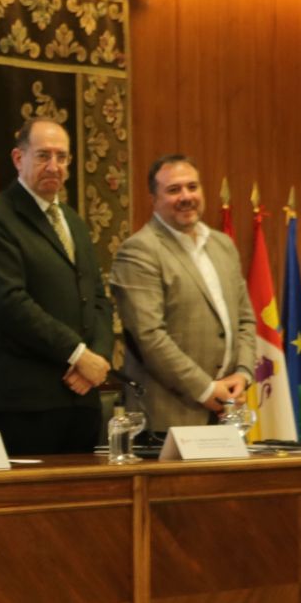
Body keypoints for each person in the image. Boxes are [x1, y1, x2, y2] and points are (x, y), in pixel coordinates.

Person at [0, 117, 115, 456]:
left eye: (62, 157)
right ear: (19, 159)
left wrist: (97, 359)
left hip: (82, 398)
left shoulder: (74, 221)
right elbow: (10, 303)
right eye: (43, 156)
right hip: (27, 404)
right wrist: (78, 354)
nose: (54, 166)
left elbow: (96, 298)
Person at [109, 154, 257, 433]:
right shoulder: (139, 251)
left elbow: (246, 321)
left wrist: (243, 374)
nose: (186, 196)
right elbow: (149, 336)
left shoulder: (223, 245)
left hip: (229, 413)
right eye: (174, 190)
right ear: (153, 199)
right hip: (167, 418)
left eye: (192, 187)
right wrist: (205, 389)